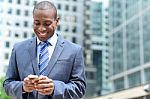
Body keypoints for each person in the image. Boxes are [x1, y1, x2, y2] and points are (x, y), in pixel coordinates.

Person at [3, 1, 86, 99]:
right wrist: (23, 87)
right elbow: (7, 84)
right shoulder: (18, 49)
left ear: (57, 21)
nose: (41, 29)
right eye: (37, 23)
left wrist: (55, 88)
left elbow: (80, 88)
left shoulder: (74, 51)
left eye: (47, 24)